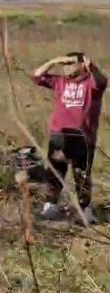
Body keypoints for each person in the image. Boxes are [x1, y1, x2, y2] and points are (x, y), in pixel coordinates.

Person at [32, 52, 106, 225]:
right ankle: (50, 206)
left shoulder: (91, 83)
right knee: (55, 171)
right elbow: (37, 76)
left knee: (82, 173)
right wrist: (53, 60)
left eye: (71, 63)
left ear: (83, 65)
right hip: (59, 134)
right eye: (64, 64)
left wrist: (92, 67)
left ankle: (84, 211)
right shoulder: (60, 82)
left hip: (82, 137)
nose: (66, 67)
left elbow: (102, 82)